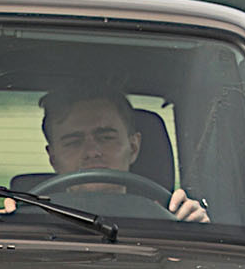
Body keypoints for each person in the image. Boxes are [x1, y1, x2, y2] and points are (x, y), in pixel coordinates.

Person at [37, 87, 209, 223]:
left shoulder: (168, 218)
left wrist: (196, 230)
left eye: (106, 138)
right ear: (53, 158)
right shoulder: (31, 221)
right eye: (74, 142)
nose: (92, 152)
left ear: (133, 147)